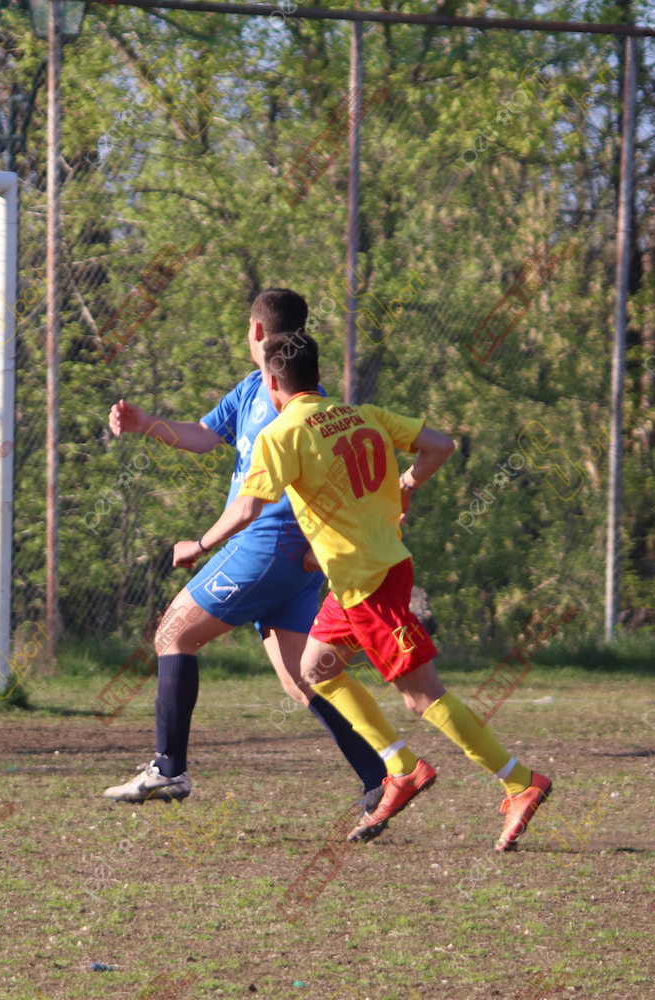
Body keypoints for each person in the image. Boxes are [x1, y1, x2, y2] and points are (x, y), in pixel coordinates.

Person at [179, 328, 553, 851]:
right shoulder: (364, 414)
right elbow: (440, 446)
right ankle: (401, 767)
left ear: (271, 383)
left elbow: (246, 509)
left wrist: (198, 545)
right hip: (365, 574)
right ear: (317, 375)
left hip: (370, 582)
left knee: (422, 696)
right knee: (316, 668)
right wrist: (407, 483)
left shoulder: (282, 433)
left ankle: (519, 781)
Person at [100, 288, 393, 835]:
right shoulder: (254, 389)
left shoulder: (300, 403)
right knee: (303, 679)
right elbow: (203, 437)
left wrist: (200, 544)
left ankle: (169, 769)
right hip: (292, 558)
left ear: (257, 331)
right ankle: (382, 777)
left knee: (173, 634)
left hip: (264, 544)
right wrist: (147, 424)